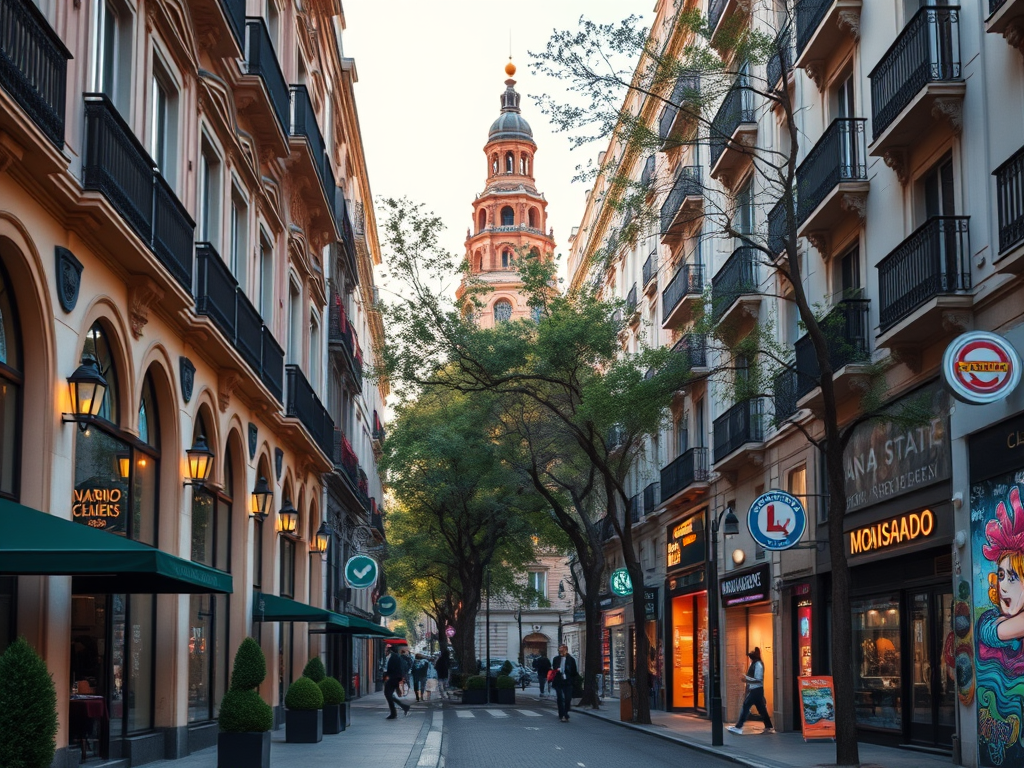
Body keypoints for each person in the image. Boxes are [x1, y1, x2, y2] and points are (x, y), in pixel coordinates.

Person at [727, 647, 775, 734]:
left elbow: (758, 679)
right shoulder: (755, 664)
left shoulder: (758, 665)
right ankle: (769, 726)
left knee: (746, 706)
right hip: (756, 690)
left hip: (756, 689)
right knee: (761, 709)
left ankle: (739, 727)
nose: (749, 660)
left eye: (750, 658)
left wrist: (746, 679)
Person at [550, 644, 578, 722]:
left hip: (567, 681)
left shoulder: (571, 659)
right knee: (559, 697)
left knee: (567, 698)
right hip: (558, 680)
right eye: (560, 650)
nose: (561, 651)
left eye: (562, 650)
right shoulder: (556, 659)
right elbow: (554, 668)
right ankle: (562, 713)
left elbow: (574, 671)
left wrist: (573, 680)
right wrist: (557, 670)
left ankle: (565, 712)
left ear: (566, 650)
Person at [383, 645, 410, 720]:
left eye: (386, 649)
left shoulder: (394, 657)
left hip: (393, 678)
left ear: (389, 650)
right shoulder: (393, 657)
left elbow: (397, 668)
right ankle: (402, 707)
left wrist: (398, 678)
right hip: (393, 678)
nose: (385, 651)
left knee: (388, 694)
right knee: (389, 695)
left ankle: (394, 712)